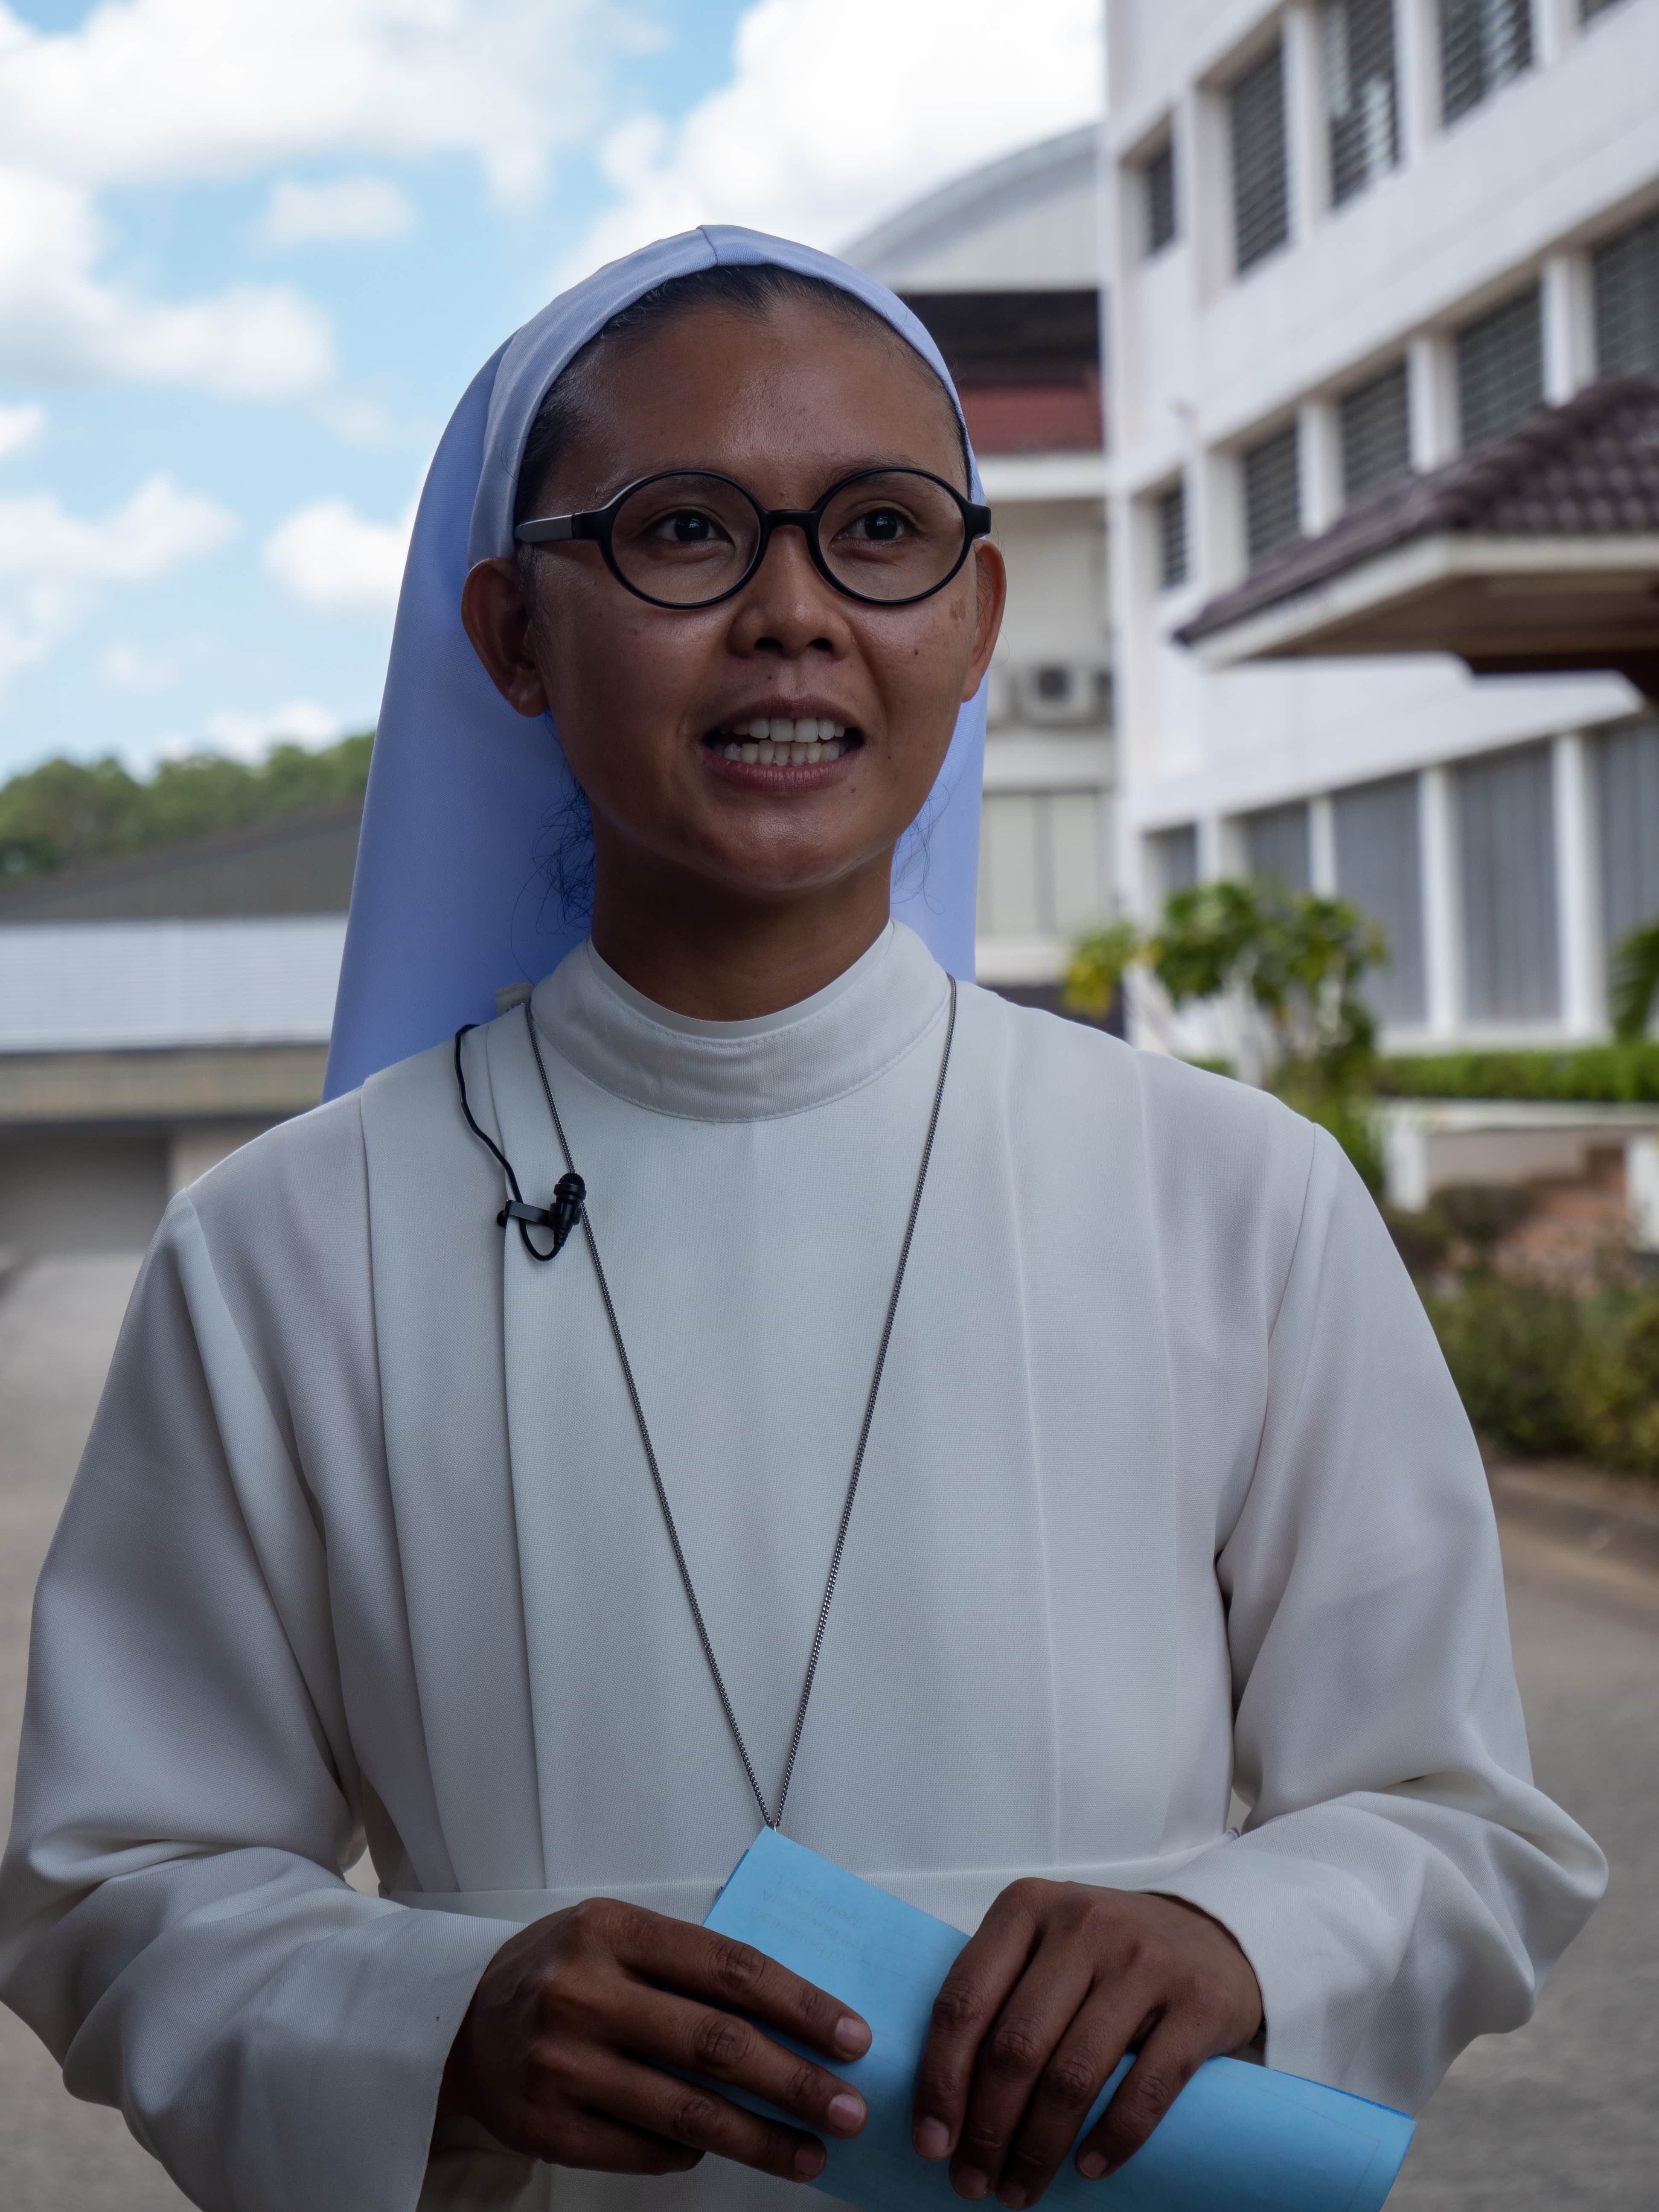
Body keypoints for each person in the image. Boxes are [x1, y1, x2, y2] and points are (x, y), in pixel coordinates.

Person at [0, 228, 1604, 2212]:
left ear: (979, 608)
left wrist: (1239, 1944)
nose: (792, 616)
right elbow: (116, 1882)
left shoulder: (1238, 1195)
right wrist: (439, 2014)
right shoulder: (279, 1253)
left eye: (879, 530)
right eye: (684, 532)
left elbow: (1456, 1820)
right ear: (511, 632)